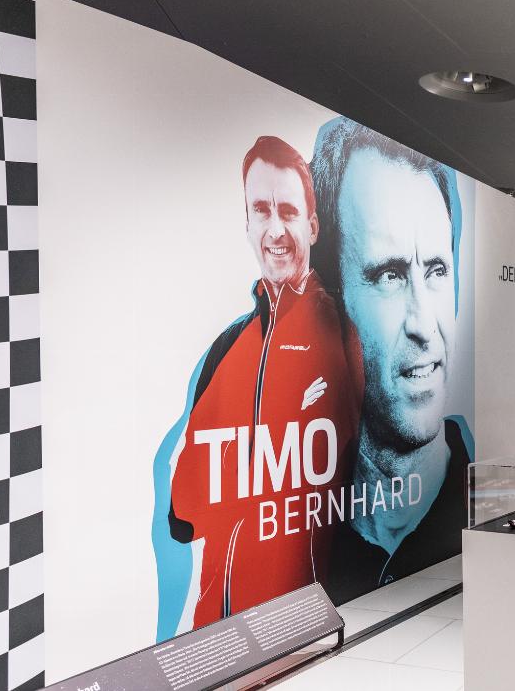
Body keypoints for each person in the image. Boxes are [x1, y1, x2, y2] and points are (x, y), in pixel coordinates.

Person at [152, 136, 360, 639]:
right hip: (217, 636)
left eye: (288, 211)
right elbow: (183, 510)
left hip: (302, 629)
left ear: (312, 225)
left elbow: (354, 486)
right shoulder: (227, 349)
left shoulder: (343, 336)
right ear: (247, 223)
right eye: (261, 211)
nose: (275, 230)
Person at [310, 118, 472, 603]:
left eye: (437, 270)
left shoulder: (484, 515)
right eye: (389, 276)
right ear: (332, 298)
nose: (424, 324)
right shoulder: (306, 550)